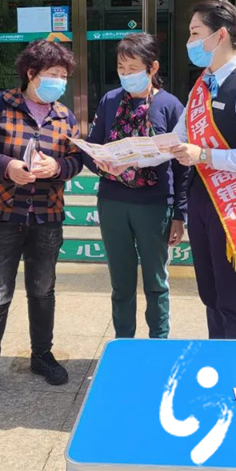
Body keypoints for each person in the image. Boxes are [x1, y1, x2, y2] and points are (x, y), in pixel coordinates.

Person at [0, 39, 83, 401]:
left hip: (46, 215)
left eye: (64, 76)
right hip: (1, 214)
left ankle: (41, 355)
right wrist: (6, 165)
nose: (60, 81)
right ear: (31, 73)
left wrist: (58, 166)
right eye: (54, 74)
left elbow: (77, 160)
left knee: (43, 289)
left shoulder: (64, 116)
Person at [170, 0, 236, 340]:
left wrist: (205, 155)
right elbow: (178, 138)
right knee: (212, 294)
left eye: (195, 32)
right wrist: (127, 154)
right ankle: (219, 359)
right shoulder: (202, 84)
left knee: (235, 298)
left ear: (220, 35)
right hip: (202, 197)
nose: (189, 41)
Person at [82, 33, 189, 339]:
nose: (126, 74)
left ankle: (158, 343)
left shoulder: (170, 105)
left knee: (156, 282)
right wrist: (101, 163)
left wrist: (180, 214)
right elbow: (92, 147)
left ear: (152, 67)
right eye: (121, 68)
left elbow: (183, 166)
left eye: (133, 68)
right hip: (113, 202)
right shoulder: (110, 101)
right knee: (121, 283)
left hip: (154, 205)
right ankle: (123, 343)